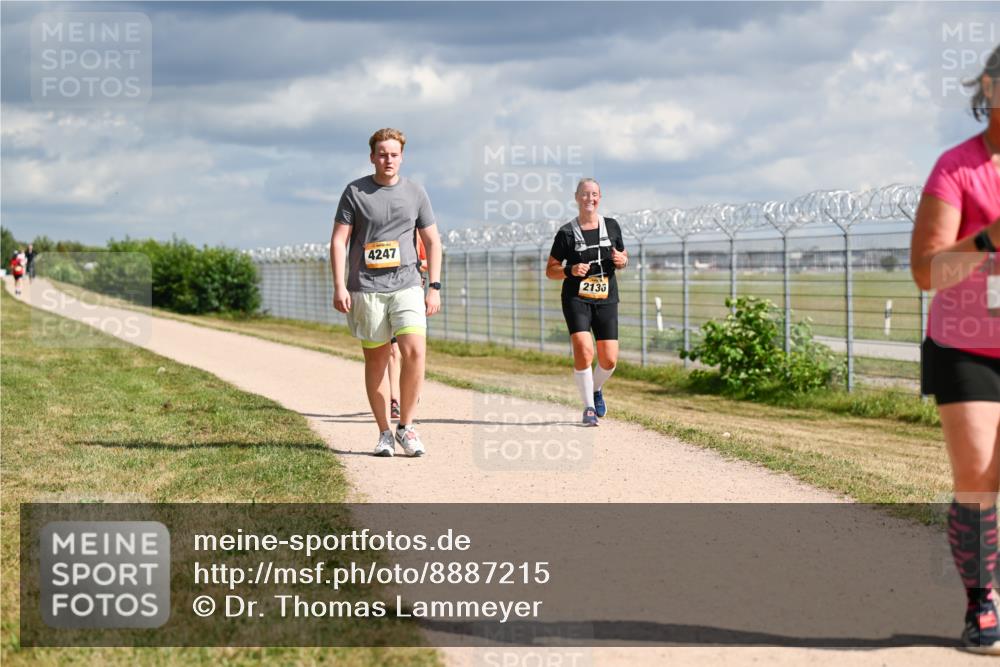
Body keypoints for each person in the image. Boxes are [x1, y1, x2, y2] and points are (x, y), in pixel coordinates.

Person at [911, 43, 1000, 654]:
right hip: (968, 340)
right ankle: (983, 604)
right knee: (979, 474)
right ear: (991, 89)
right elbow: (926, 271)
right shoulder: (959, 167)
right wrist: (990, 238)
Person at [331, 128, 442, 457]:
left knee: (414, 352)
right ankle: (383, 433)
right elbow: (339, 241)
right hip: (367, 289)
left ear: (402, 157)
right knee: (377, 361)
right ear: (372, 157)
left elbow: (433, 241)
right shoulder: (355, 192)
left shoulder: (416, 193)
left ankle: (406, 427)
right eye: (382, 154)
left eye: (393, 154)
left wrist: (433, 287)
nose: (388, 159)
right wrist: (340, 284)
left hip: (407, 284)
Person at [545, 178, 628, 426]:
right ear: (576, 197)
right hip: (576, 298)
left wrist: (623, 261)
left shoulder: (612, 226)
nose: (589, 199)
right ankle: (589, 408)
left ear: (600, 197)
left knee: (609, 359)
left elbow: (623, 258)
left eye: (593, 194)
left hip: (606, 297)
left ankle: (596, 388)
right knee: (584, 350)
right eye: (584, 194)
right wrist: (570, 270)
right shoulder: (566, 233)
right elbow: (550, 270)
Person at [388, 234, 428, 419]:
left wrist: (414, 265)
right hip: (385, 290)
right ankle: (394, 400)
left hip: (410, 294)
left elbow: (429, 260)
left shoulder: (418, 233)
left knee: (410, 350)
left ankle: (411, 391)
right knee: (392, 350)